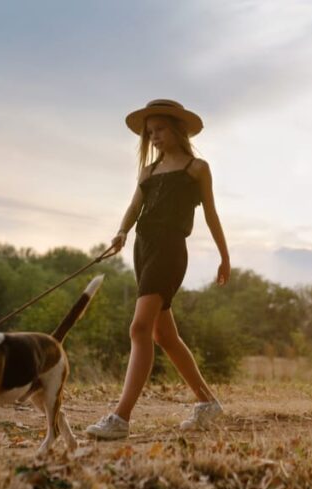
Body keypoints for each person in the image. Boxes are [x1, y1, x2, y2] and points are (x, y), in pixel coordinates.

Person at [86, 99, 231, 440]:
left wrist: (224, 256)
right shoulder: (148, 172)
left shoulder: (196, 169)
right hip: (143, 249)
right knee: (163, 335)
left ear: (178, 129)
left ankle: (120, 418)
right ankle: (208, 403)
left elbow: (211, 214)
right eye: (150, 133)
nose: (154, 138)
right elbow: (134, 207)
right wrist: (121, 232)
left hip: (169, 250)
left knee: (139, 328)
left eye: (160, 129)